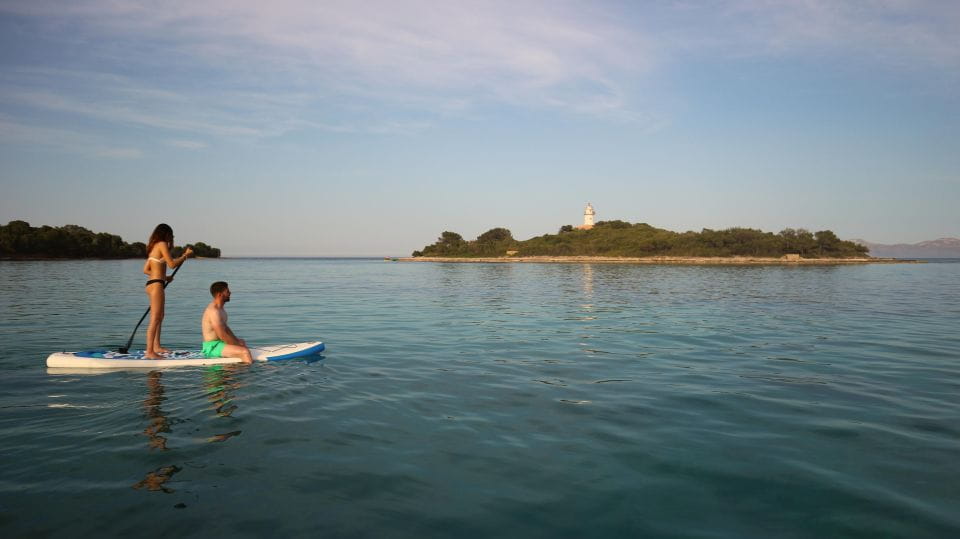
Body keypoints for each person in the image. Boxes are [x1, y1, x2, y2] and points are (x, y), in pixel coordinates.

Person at [143, 224, 192, 359]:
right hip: (157, 285)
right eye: (171, 234)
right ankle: (150, 352)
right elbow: (171, 264)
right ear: (166, 234)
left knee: (160, 316)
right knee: (155, 318)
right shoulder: (162, 244)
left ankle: (156, 346)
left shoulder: (154, 247)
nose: (172, 237)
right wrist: (185, 256)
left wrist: (165, 277)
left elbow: (146, 270)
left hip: (152, 284)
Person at [201, 281, 253, 363]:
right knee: (245, 352)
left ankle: (235, 366)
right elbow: (222, 334)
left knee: (242, 342)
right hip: (212, 347)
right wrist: (237, 345)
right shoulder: (214, 311)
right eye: (227, 291)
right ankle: (247, 374)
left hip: (219, 343)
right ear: (219, 294)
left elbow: (226, 328)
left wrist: (237, 340)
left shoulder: (220, 309)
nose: (230, 293)